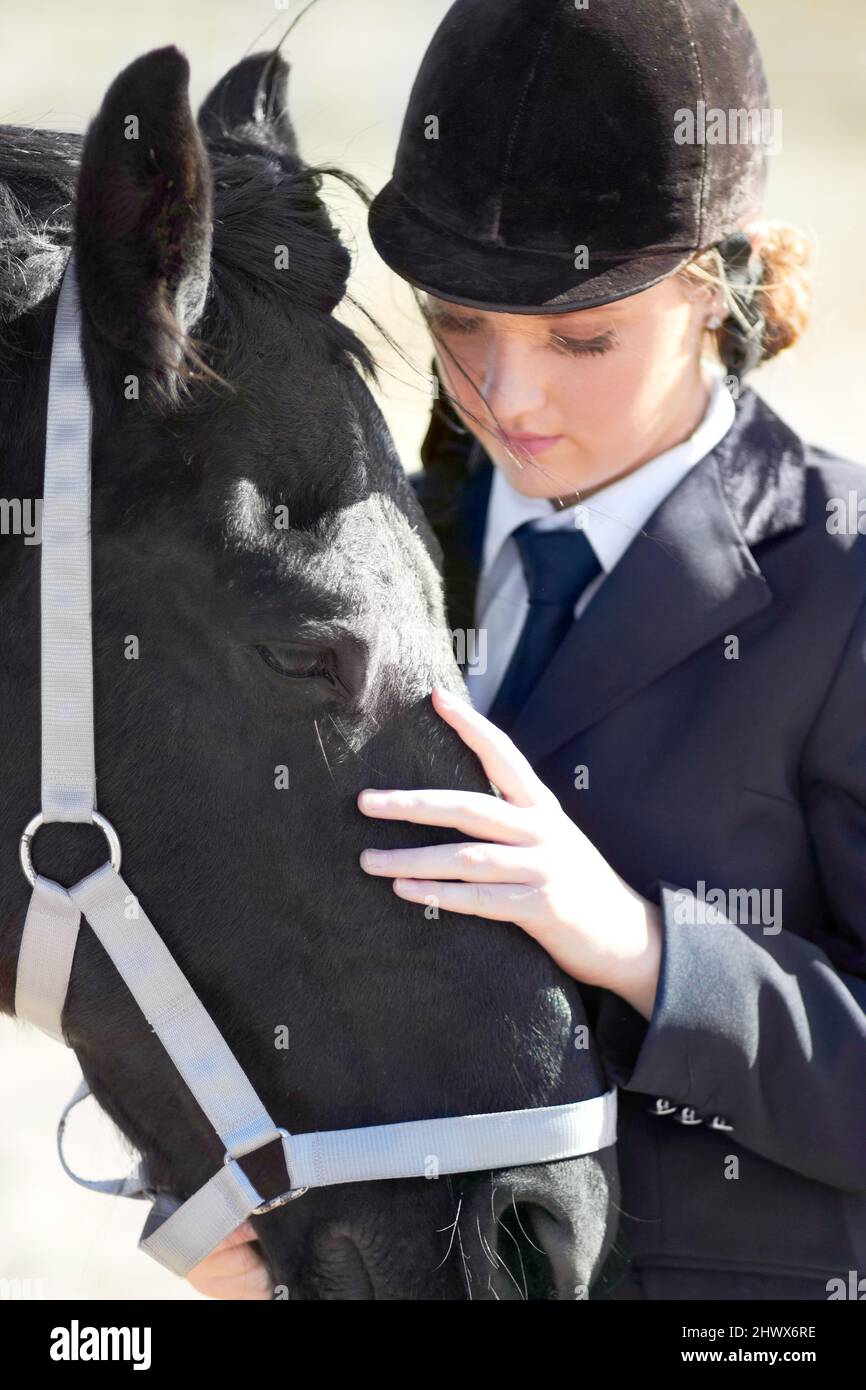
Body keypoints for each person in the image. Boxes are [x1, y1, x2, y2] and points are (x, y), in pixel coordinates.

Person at [186, 0, 866, 1300]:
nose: (505, 395)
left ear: (716, 284)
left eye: (579, 338)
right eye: (456, 322)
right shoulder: (360, 543)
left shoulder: (841, 578)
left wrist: (645, 950)